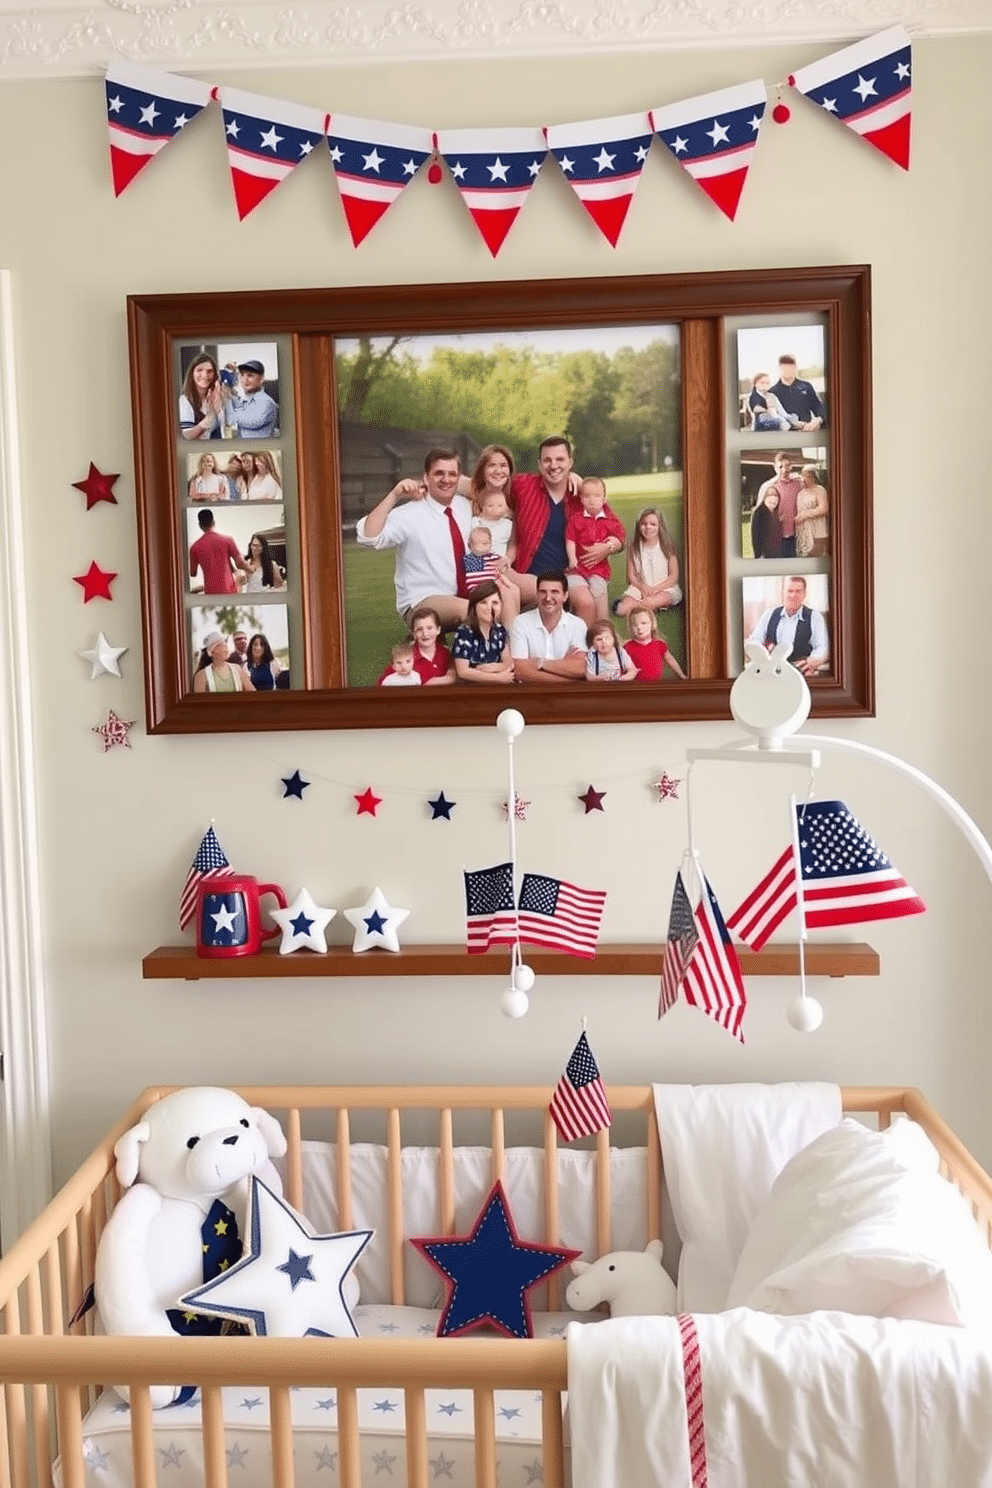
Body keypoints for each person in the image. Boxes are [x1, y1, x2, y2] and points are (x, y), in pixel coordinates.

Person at [355, 447, 474, 632]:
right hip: (422, 601)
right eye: (439, 473)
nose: (446, 479)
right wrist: (395, 495)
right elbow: (368, 538)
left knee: (503, 600)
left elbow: (486, 490)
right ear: (426, 477)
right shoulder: (409, 514)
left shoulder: (466, 507)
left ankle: (510, 659)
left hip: (464, 594)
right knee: (474, 610)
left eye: (452, 474)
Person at [508, 436, 620, 626]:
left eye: (560, 459)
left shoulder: (583, 495)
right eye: (547, 460)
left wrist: (609, 547)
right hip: (530, 576)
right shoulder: (523, 486)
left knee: (586, 602)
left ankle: (586, 651)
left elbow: (618, 534)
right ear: (539, 464)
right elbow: (483, 486)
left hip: (571, 575)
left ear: (570, 462)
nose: (553, 465)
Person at [564, 477, 626, 621]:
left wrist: (610, 544)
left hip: (599, 569)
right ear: (581, 499)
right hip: (577, 569)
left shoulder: (609, 520)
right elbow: (570, 540)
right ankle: (583, 631)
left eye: (597, 496)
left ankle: (603, 631)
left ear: (604, 499)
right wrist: (572, 558)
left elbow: (620, 536)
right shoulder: (576, 519)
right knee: (583, 599)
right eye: (587, 496)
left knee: (599, 598)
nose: (592, 500)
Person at [509, 571, 587, 683]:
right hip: (531, 695)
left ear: (565, 596)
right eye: (543, 592)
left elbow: (580, 668)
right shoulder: (521, 623)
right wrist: (565, 679)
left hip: (567, 697)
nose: (548, 598)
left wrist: (541, 663)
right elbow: (520, 671)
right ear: (537, 594)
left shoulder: (577, 625)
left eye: (554, 592)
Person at [747, 575, 829, 676]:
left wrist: (811, 662)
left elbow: (822, 647)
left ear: (804, 594)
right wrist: (763, 658)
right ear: (783, 593)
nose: (793, 595)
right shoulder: (769, 614)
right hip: (770, 669)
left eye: (798, 591)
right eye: (790, 591)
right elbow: (756, 639)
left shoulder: (815, 616)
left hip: (801, 671)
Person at [613, 506, 682, 621]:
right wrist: (642, 587)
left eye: (653, 524)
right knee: (621, 610)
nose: (648, 527)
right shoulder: (634, 547)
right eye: (644, 524)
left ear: (660, 527)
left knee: (651, 602)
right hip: (641, 587)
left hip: (664, 589)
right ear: (639, 525)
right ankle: (644, 607)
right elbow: (631, 576)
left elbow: (673, 576)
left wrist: (655, 589)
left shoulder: (667, 546)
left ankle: (649, 606)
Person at [451, 581, 514, 684]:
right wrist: (497, 678)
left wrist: (494, 667)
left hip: (495, 688)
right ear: (474, 606)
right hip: (471, 690)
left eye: (495, 603)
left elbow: (509, 662)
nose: (489, 607)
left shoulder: (499, 630)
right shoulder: (465, 632)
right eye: (483, 602)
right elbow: (462, 672)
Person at [188, 510, 249, 595]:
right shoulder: (228, 540)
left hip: (210, 592)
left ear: (200, 525)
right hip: (230, 591)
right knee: (240, 578)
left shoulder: (194, 547)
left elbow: (193, 573)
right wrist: (251, 569)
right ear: (213, 523)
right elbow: (240, 562)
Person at [754, 452, 802, 559]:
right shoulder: (768, 487)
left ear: (791, 466)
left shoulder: (798, 484)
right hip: (774, 537)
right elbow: (759, 514)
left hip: (794, 537)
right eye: (780, 467)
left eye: (787, 466)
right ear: (774, 467)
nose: (784, 470)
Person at [622, 605, 686, 681]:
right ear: (630, 627)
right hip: (636, 687)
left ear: (652, 624)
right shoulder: (628, 646)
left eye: (643, 623)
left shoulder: (659, 644)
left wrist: (681, 675)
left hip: (656, 686)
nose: (639, 627)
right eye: (635, 625)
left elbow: (670, 661)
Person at [226, 360, 280, 440]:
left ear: (261, 379)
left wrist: (226, 401)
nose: (244, 380)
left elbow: (232, 419)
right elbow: (234, 402)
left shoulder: (265, 402)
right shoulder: (247, 399)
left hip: (260, 450)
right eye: (242, 375)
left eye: (250, 376)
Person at [769, 355, 825, 431]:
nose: (787, 370)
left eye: (790, 367)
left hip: (806, 432)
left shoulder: (806, 386)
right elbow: (772, 417)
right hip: (784, 435)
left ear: (795, 368)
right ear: (779, 369)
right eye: (784, 368)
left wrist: (818, 420)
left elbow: (818, 408)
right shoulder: (772, 392)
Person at [179, 353, 225, 441]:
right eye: (199, 370)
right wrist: (209, 418)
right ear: (192, 373)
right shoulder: (185, 400)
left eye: (209, 371)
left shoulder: (218, 397)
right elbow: (187, 435)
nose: (204, 375)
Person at [795, 465, 830, 558]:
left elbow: (824, 508)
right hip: (804, 533)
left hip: (817, 532)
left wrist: (806, 514)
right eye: (802, 476)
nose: (802, 479)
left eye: (805, 476)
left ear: (812, 477)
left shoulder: (819, 490)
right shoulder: (800, 493)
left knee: (817, 557)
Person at [462, 525, 502, 592]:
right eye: (477, 543)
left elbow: (502, 570)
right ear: (470, 544)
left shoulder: (495, 558)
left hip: (493, 588)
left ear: (490, 543)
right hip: (475, 590)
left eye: (484, 543)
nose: (480, 546)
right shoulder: (470, 559)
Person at [749, 487, 784, 559]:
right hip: (764, 554)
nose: (773, 497)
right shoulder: (759, 512)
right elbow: (755, 536)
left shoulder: (775, 512)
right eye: (770, 494)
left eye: (775, 495)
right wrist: (758, 555)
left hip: (776, 553)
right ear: (765, 496)